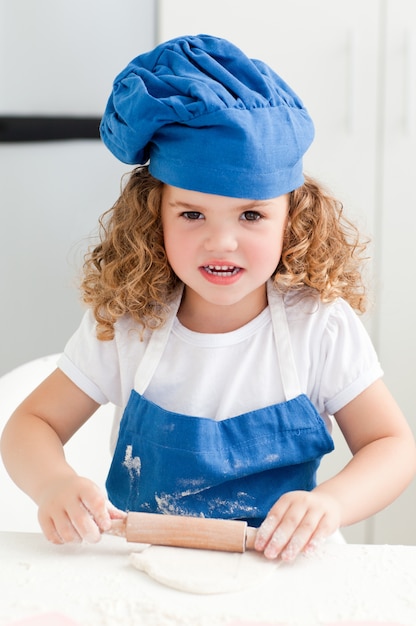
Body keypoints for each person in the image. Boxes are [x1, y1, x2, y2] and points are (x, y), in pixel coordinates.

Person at [1, 34, 415, 562]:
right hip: (142, 567)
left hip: (280, 572)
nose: (221, 242)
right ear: (154, 216)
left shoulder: (320, 327)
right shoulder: (132, 324)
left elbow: (392, 446)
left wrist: (331, 503)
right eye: (192, 214)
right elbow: (30, 425)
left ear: (294, 219)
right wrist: (53, 485)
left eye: (251, 215)